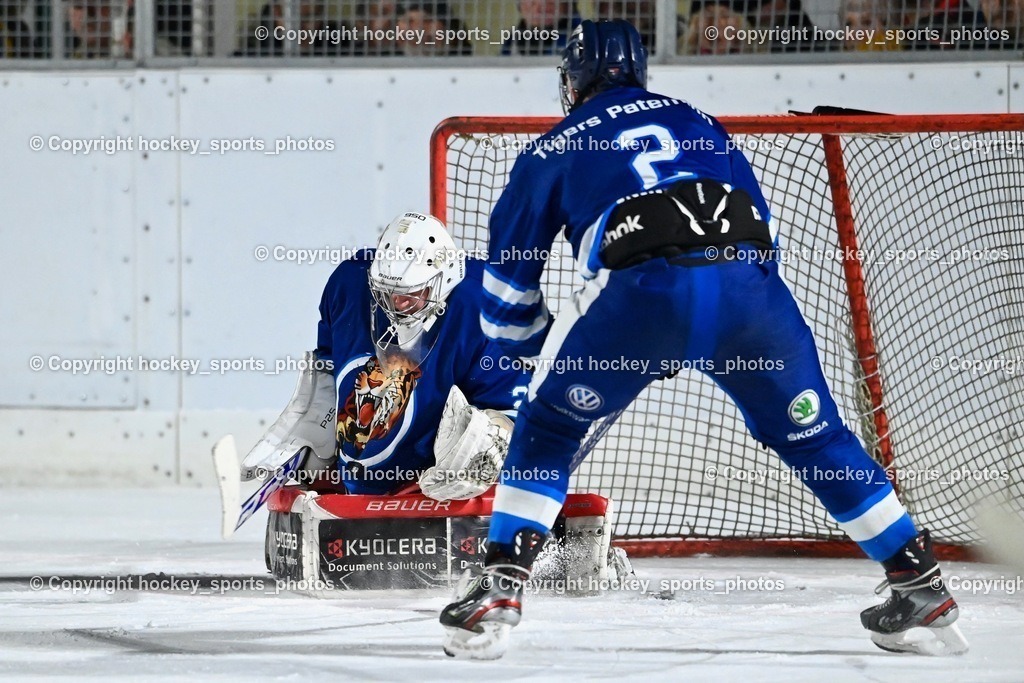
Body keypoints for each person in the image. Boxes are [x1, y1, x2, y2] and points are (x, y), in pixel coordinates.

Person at [439, 19, 967, 659]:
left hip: (645, 296)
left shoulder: (552, 149)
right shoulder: (700, 122)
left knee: (548, 427)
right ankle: (917, 577)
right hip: (753, 298)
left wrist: (511, 376)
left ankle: (498, 587)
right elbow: (760, 228)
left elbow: (506, 296)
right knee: (815, 434)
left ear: (571, 80)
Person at [241, 211, 528, 501]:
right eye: (388, 292)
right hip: (362, 489)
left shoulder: (484, 309)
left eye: (412, 293)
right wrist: (317, 421)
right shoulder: (349, 284)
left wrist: (488, 447)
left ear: (444, 281)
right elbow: (330, 361)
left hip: (432, 493)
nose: (398, 304)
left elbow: (517, 415)